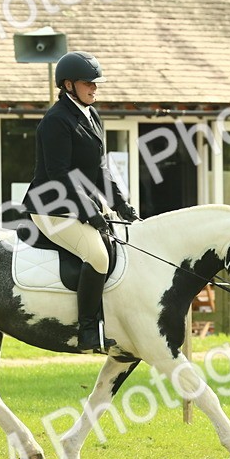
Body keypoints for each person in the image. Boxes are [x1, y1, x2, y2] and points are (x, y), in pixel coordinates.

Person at [21, 51, 139, 353]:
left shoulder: (91, 114)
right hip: (51, 209)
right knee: (98, 256)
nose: (95, 89)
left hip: (76, 205)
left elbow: (99, 169)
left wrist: (122, 205)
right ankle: (87, 330)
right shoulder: (55, 121)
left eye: (96, 84)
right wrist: (90, 212)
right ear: (69, 85)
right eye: (89, 84)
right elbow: (60, 175)